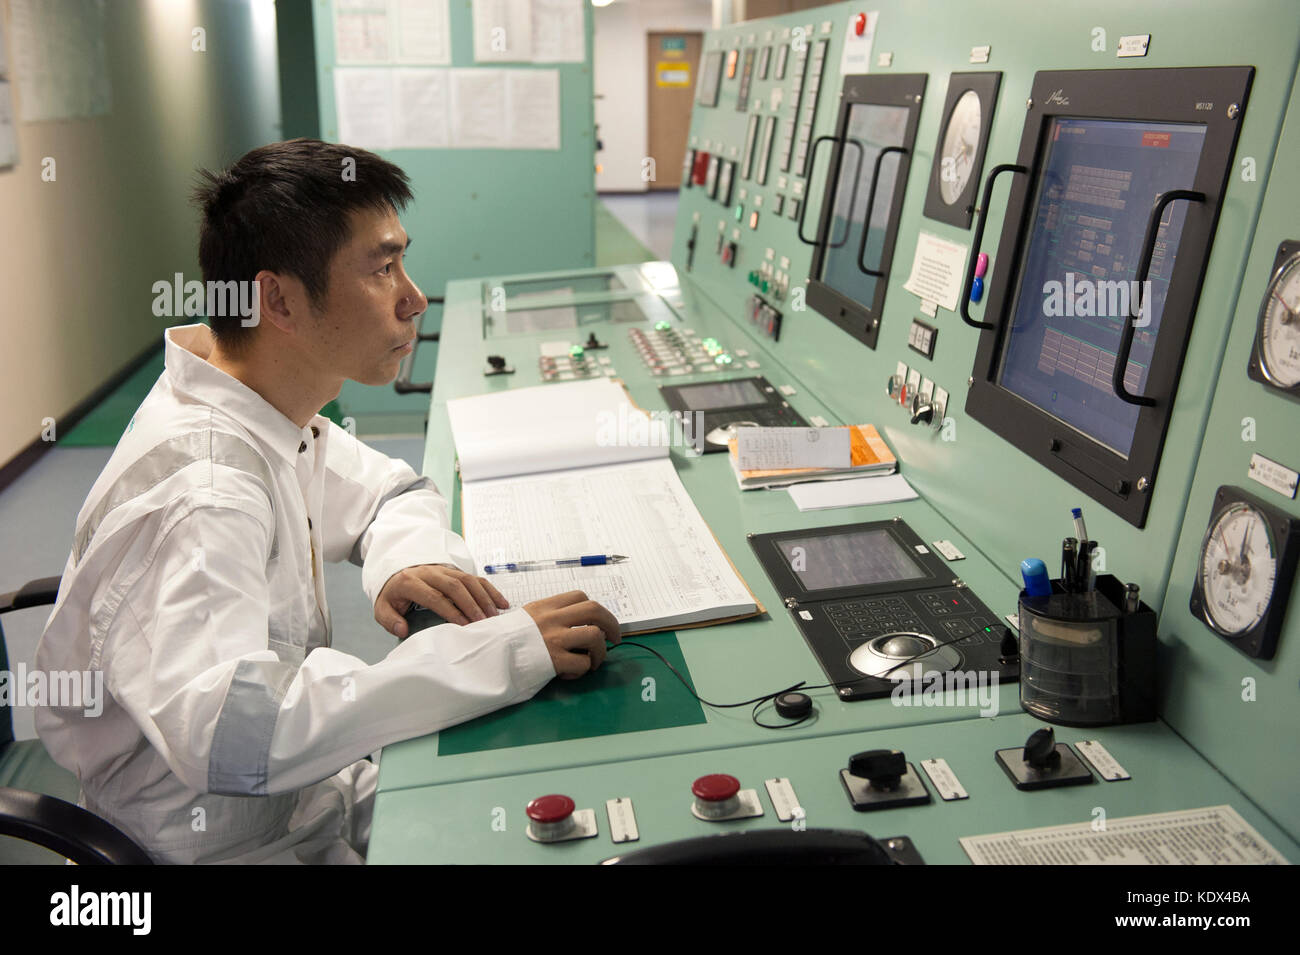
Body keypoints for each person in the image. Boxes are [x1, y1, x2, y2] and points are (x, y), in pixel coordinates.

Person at [34, 139, 621, 864]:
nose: (414, 296)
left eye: (402, 259)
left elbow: (391, 489)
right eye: (382, 269)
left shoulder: (266, 412)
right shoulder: (205, 489)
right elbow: (237, 734)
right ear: (277, 298)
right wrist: (496, 653)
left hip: (314, 800)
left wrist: (412, 562)